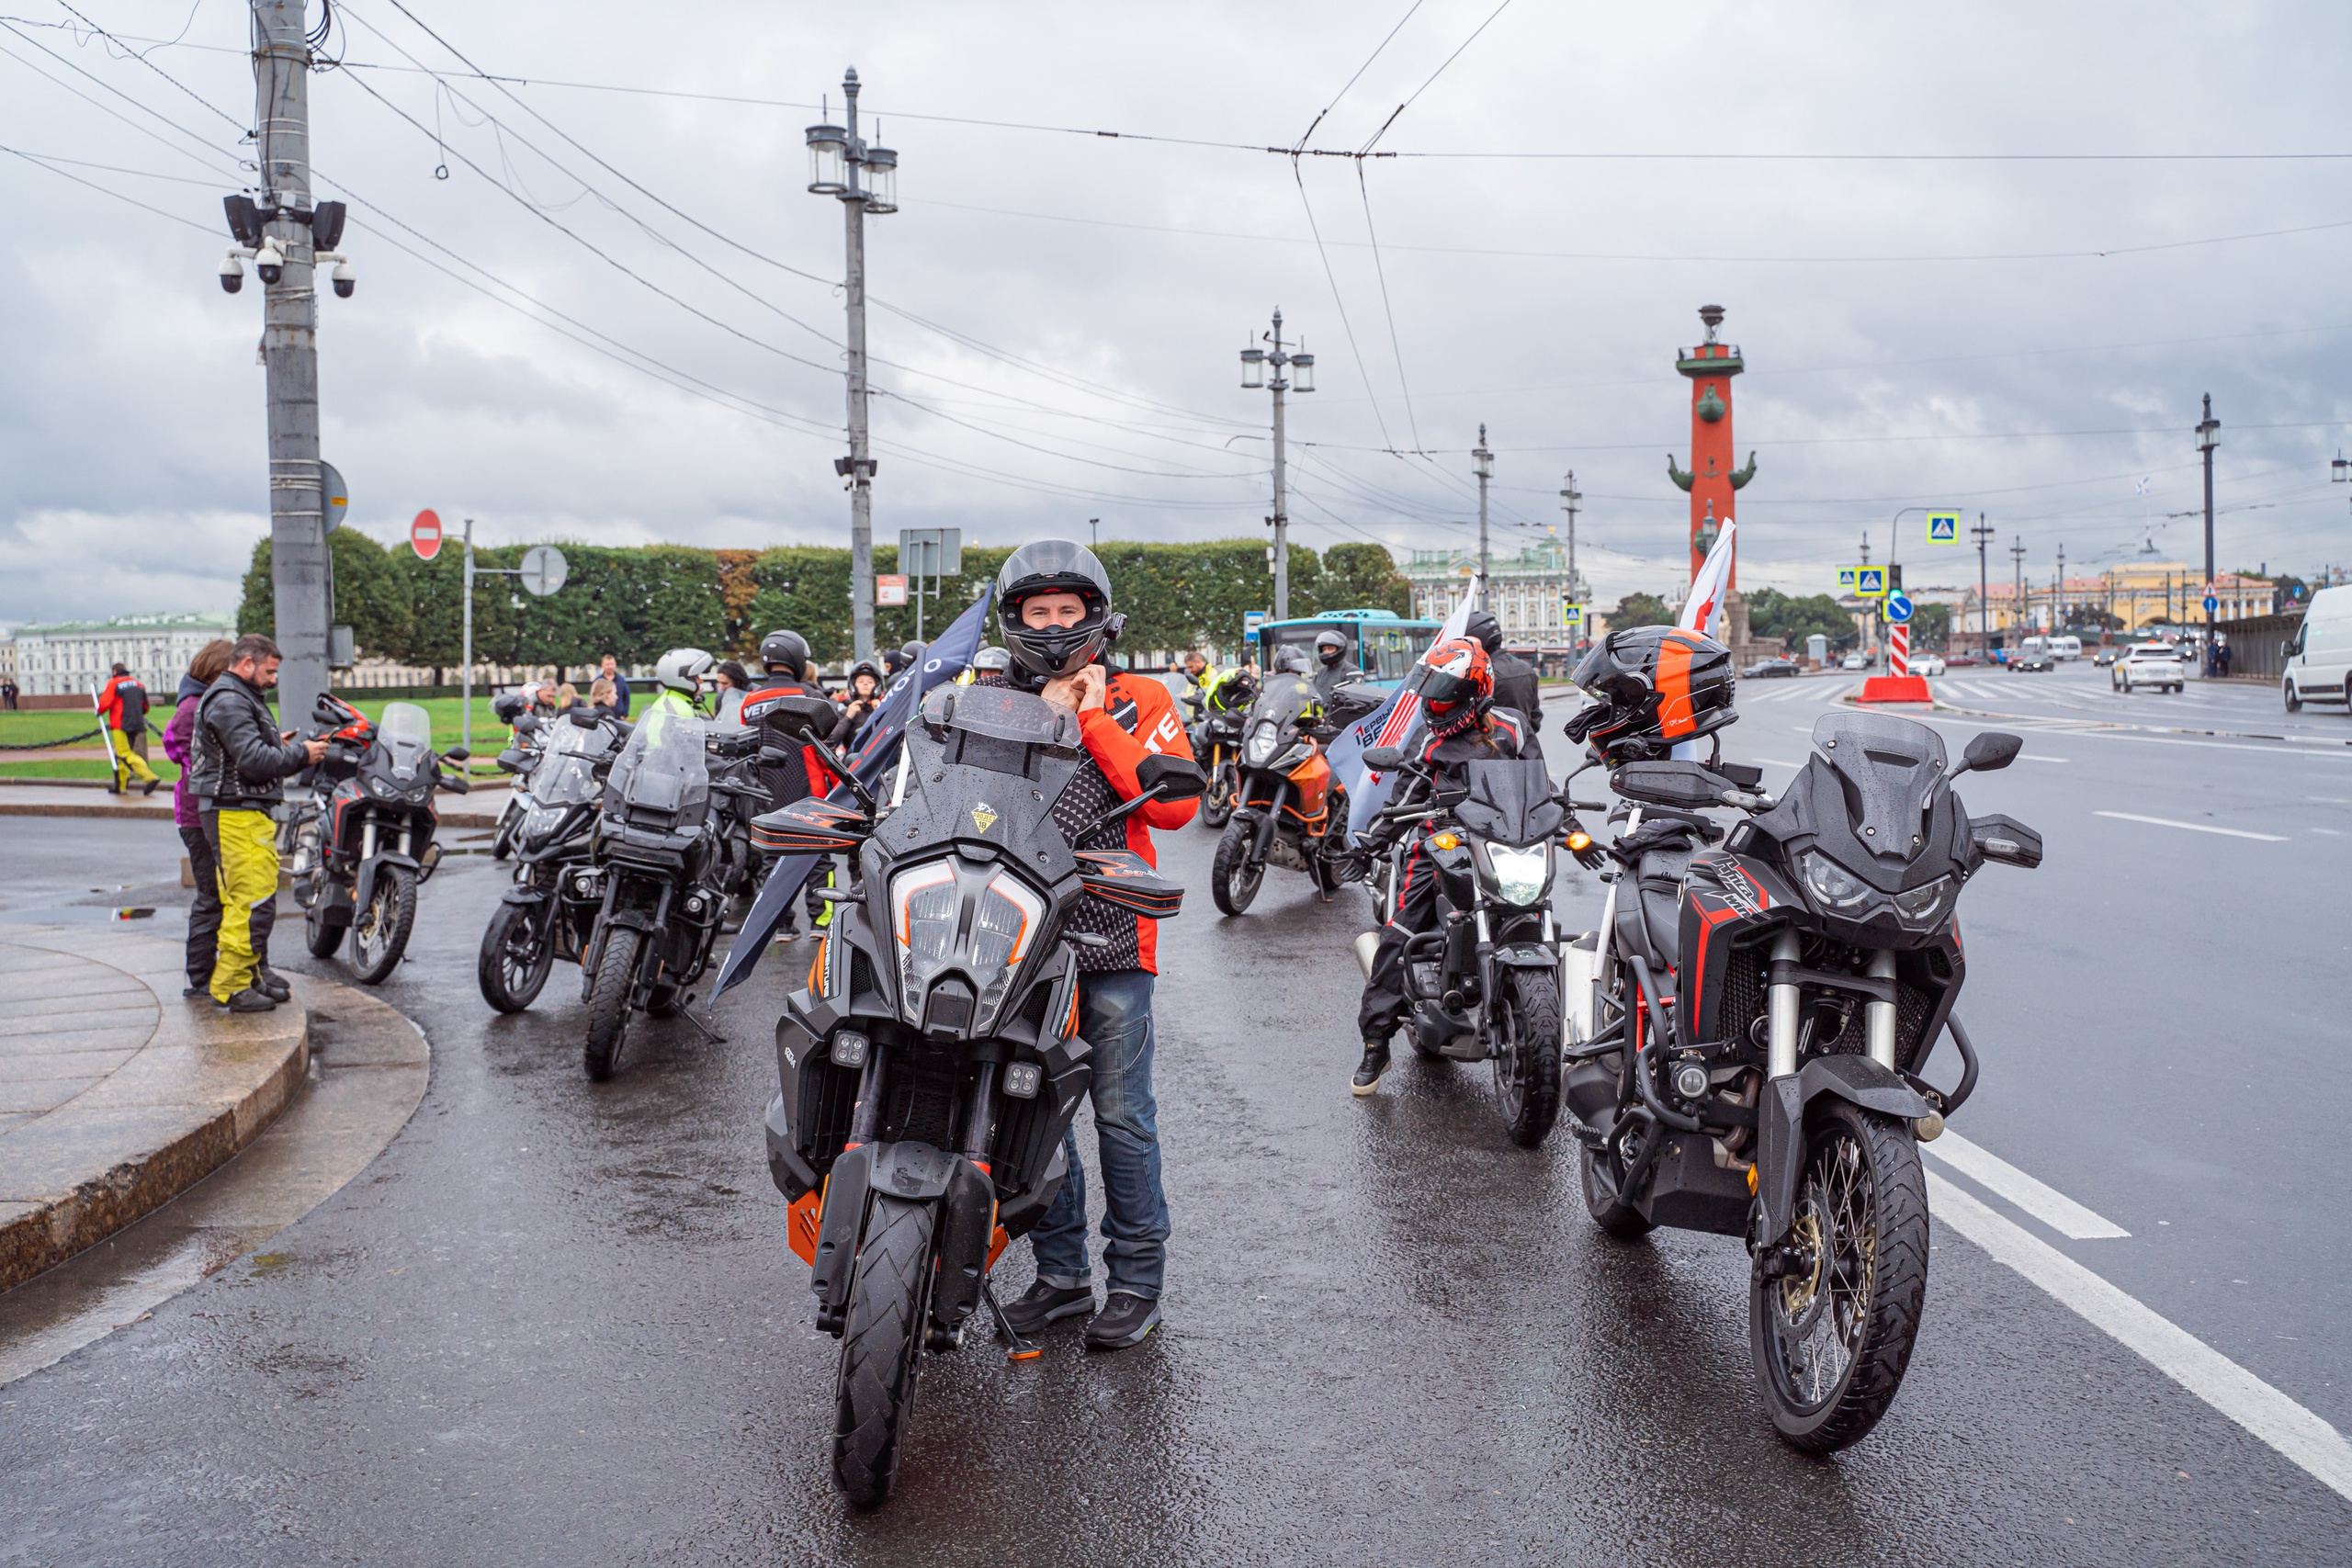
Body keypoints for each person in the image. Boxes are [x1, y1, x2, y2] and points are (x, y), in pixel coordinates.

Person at [981, 539, 1197, 1351]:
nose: (1052, 623)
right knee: (1033, 1111)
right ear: (1014, 619)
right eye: (1038, 611)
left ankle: (1137, 1282)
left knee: (1121, 1116)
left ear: (1094, 616)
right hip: (1011, 932)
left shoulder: (1140, 693)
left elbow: (1174, 806)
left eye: (1067, 610)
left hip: (1112, 932)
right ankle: (1063, 1276)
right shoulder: (988, 696)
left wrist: (1093, 713)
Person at [1351, 636, 1531, 1096]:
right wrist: (1372, 838)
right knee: (1402, 935)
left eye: (1445, 693)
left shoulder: (1513, 729)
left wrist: (1568, 825)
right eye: (1431, 692)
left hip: (1502, 843)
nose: (1434, 703)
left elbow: (1538, 785)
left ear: (1476, 693)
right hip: (1439, 843)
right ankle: (1376, 1043)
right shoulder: (1428, 740)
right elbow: (1405, 795)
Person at [189, 635, 327, 1011]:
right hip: (236, 812)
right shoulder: (231, 700)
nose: (273, 679)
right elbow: (252, 761)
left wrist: (274, 744)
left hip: (239, 810)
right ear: (246, 663)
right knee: (251, 902)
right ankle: (232, 986)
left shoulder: (235, 697)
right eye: (269, 671)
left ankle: (247, 975)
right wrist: (301, 754)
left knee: (249, 899)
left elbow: (243, 753)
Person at [163, 638, 235, 997]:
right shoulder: (194, 707)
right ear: (216, 672)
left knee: (217, 892)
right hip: (197, 813)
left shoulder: (199, 701)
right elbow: (177, 747)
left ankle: (209, 970)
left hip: (200, 809)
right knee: (211, 894)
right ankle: (201, 975)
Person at [742, 630, 837, 813]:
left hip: (764, 797)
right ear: (797, 659)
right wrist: (845, 791)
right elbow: (827, 752)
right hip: (809, 799)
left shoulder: (749, 701)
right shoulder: (809, 696)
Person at [1466, 609, 1544, 741]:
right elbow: (1535, 717)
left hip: (1489, 749)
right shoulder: (1526, 669)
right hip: (1522, 747)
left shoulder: (1481, 674)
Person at [98, 662, 161, 795]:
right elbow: (145, 706)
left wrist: (99, 711)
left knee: (124, 754)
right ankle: (121, 786)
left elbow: (105, 703)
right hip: (136, 724)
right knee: (120, 755)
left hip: (121, 724)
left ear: (114, 671)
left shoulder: (114, 683)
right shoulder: (138, 683)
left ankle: (150, 778)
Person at [1310, 629, 1354, 705]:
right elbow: (1311, 695)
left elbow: (1355, 701)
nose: (1326, 652)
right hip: (1320, 715)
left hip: (1339, 715)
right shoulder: (1320, 674)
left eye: (1330, 648)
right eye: (1324, 649)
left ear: (1340, 648)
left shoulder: (1351, 671)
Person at [598, 653, 632, 717]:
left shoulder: (621, 680)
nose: (610, 667)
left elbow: (626, 697)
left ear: (615, 665)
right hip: (602, 716)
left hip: (618, 717)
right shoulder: (598, 681)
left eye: (612, 664)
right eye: (607, 664)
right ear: (602, 665)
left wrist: (624, 714)